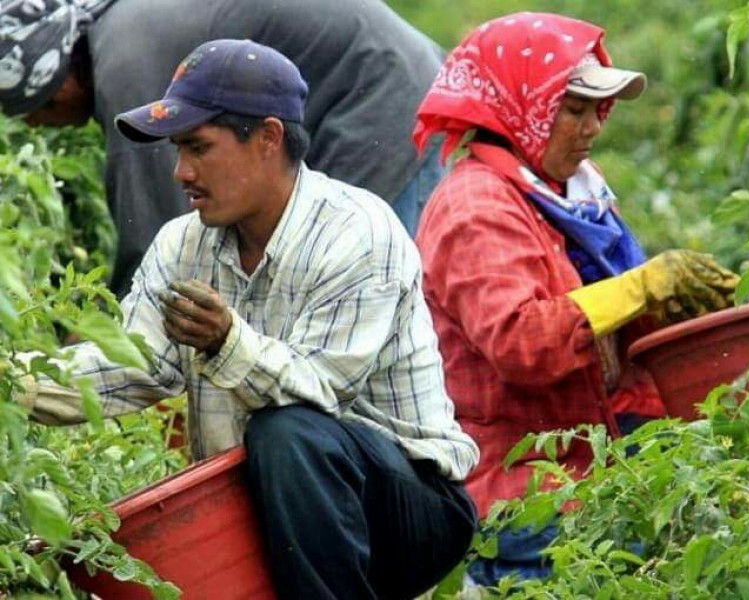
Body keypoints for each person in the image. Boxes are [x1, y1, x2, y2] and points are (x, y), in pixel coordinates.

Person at [16, 39, 478, 599]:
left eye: (199, 148)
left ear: (268, 138)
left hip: (407, 506)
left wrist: (227, 342)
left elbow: (322, 396)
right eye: (178, 151)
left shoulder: (357, 233)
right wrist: (14, 384)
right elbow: (134, 365)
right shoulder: (183, 245)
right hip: (267, 500)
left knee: (286, 432)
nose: (182, 172)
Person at [412, 12, 739, 587]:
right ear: (520, 106)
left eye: (596, 111)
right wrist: (642, 287)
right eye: (574, 110)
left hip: (594, 463)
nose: (592, 129)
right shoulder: (476, 206)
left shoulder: (567, 193)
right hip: (525, 491)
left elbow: (600, 315)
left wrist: (688, 310)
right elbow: (522, 343)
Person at [0, 0, 445, 297]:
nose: (38, 125)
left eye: (33, 112)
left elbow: (153, 235)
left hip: (386, 93)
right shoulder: (121, 28)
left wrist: (106, 334)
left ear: (56, 85)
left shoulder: (125, 65)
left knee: (343, 270)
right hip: (386, 70)